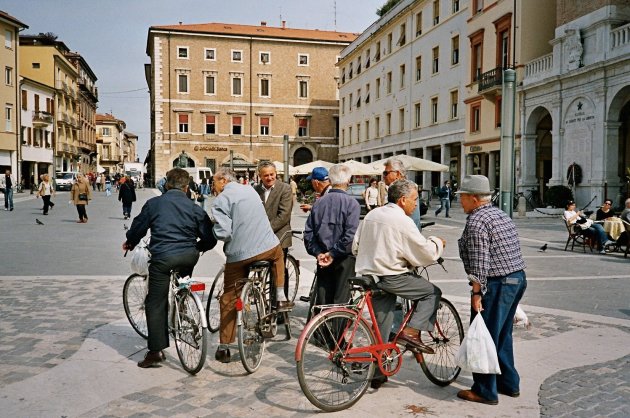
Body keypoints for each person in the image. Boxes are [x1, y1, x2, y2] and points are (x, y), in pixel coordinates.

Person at [353, 179, 444, 389]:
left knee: (381, 327)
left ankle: (377, 373)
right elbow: (424, 252)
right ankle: (411, 332)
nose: (416, 204)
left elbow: (355, 245)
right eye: (414, 199)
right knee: (431, 292)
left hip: (370, 275)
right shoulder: (402, 220)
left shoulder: (373, 214)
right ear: (402, 200)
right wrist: (438, 243)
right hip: (391, 277)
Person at [123, 167, 216, 368]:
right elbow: (210, 238)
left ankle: (156, 351)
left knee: (156, 301)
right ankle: (183, 308)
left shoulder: (154, 204)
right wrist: (197, 247)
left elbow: (138, 227)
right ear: (186, 187)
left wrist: (130, 242)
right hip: (189, 257)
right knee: (183, 280)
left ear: (166, 184)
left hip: (163, 258)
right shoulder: (195, 208)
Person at [456, 175, 527, 405]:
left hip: (497, 284)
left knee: (484, 337)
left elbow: (479, 263)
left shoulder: (477, 221)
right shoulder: (499, 214)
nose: (460, 202)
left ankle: (485, 390)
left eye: (463, 197)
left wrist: (477, 293)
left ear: (474, 199)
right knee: (502, 334)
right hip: (516, 279)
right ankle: (509, 383)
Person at [210, 168, 293, 363]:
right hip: (266, 248)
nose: (214, 186)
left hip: (239, 255)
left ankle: (224, 346)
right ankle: (280, 296)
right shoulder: (250, 190)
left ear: (223, 180)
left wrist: (213, 226)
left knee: (229, 296)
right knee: (278, 255)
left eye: (215, 182)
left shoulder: (221, 201)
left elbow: (224, 233)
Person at [304, 164, 360, 315]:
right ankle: (336, 337)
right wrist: (333, 253)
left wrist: (319, 253)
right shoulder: (352, 203)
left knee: (323, 298)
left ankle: (322, 334)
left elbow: (308, 234)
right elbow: (350, 236)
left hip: (322, 255)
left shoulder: (319, 203)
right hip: (343, 258)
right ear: (348, 180)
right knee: (341, 300)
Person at [254, 161, 293, 296]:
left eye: (272, 174)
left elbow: (284, 216)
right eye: (266, 175)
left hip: (279, 235)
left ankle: (281, 305)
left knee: (278, 272)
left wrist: (265, 230)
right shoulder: (255, 190)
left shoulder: (285, 189)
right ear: (260, 176)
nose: (269, 178)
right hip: (259, 237)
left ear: (276, 173)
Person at [382, 158, 422, 229]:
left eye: (386, 173)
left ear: (397, 174)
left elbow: (413, 219)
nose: (384, 176)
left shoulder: (408, 189)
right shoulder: (393, 188)